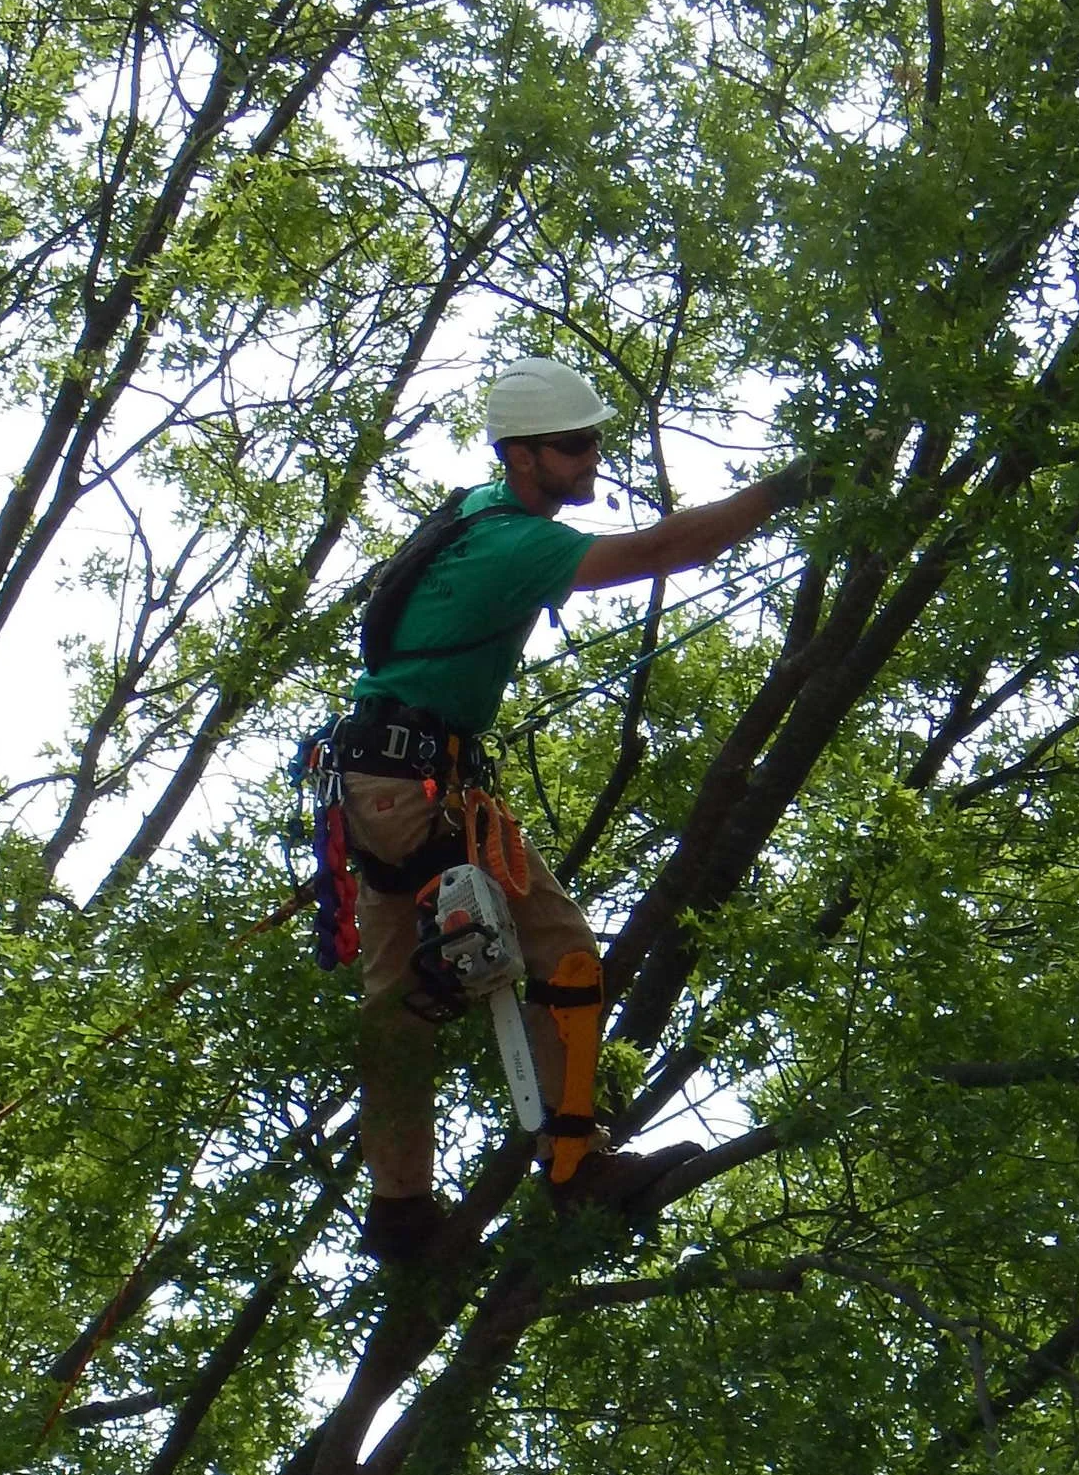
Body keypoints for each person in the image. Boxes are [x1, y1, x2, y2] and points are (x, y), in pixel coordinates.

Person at [335, 357, 813, 1263]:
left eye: (594, 440)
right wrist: (789, 488)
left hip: (386, 781)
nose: (592, 457)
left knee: (396, 1007)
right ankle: (573, 1164)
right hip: (413, 787)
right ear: (522, 456)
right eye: (573, 445)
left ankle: (400, 1211)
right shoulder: (511, 543)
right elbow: (663, 549)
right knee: (562, 949)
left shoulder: (476, 512)